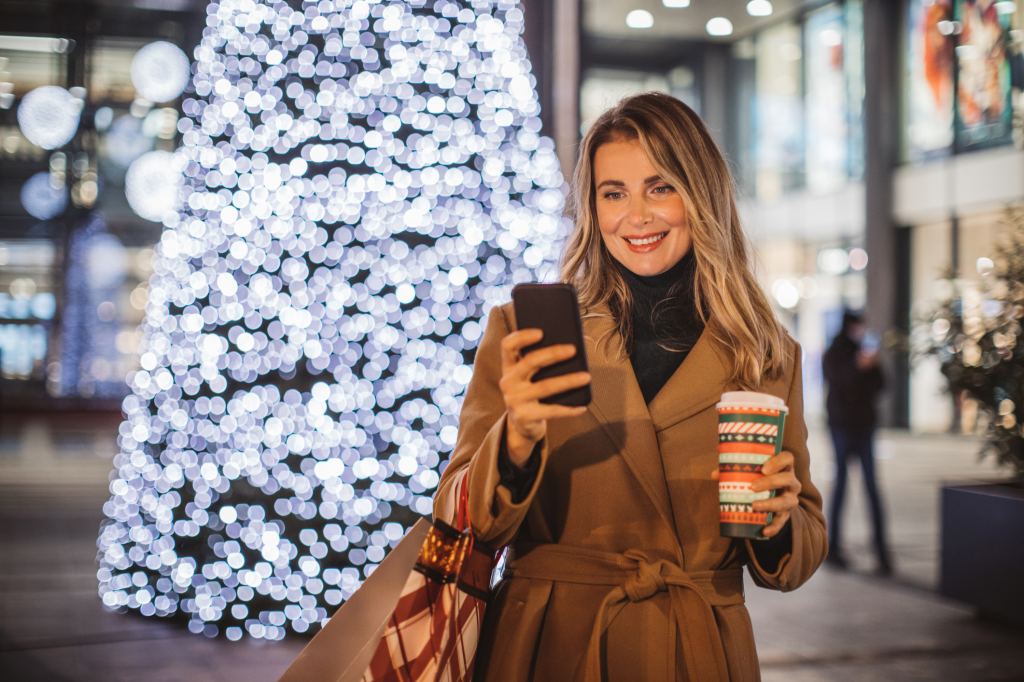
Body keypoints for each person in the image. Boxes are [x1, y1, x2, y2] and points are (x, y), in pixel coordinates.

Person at [432, 92, 827, 682]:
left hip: (694, 646)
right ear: (592, 207)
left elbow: (799, 551)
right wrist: (514, 441)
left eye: (660, 187)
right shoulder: (526, 334)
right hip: (551, 644)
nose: (636, 216)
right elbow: (458, 516)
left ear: (702, 195)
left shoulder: (763, 351)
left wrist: (776, 520)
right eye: (613, 193)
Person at [822, 310, 892, 576]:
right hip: (842, 427)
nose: (860, 330)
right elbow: (840, 383)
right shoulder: (835, 353)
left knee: (872, 487)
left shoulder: (866, 352)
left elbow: (882, 384)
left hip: (864, 428)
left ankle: (882, 552)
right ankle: (834, 548)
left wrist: (871, 366)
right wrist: (857, 367)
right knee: (840, 486)